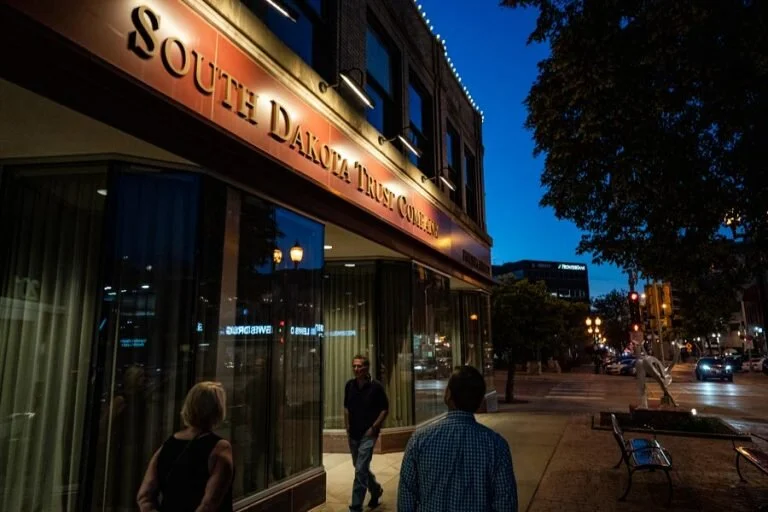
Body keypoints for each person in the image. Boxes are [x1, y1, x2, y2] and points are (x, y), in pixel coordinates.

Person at [397, 366, 517, 512]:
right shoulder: (496, 445)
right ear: (479, 402)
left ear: (448, 395)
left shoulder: (419, 440)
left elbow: (406, 500)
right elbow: (506, 504)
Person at [137, 381, 234, 512]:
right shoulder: (220, 448)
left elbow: (144, 496)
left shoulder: (168, 445)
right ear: (218, 409)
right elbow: (210, 504)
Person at [344, 355, 389, 511]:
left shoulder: (376, 387)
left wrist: (374, 427)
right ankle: (375, 489)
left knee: (360, 470)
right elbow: (346, 407)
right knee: (359, 467)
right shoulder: (349, 385)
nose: (356, 369)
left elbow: (384, 409)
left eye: (359, 366)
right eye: (354, 366)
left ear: (367, 368)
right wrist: (347, 426)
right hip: (353, 433)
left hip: (368, 434)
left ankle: (356, 506)